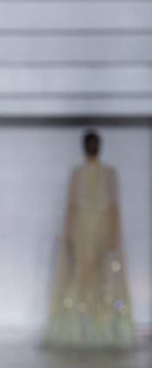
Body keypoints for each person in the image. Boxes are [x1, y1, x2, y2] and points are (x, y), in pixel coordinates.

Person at [43, 131, 135, 348]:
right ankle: (90, 326)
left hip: (88, 227)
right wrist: (112, 234)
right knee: (92, 275)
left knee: (91, 275)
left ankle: (92, 327)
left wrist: (70, 235)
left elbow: (104, 207)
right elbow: (107, 207)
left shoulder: (88, 174)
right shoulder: (101, 173)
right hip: (93, 227)